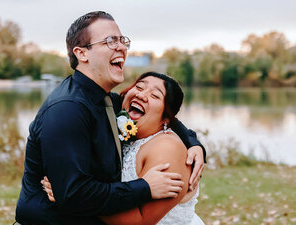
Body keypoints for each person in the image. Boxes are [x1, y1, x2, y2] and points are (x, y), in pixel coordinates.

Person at [15, 11, 205, 225]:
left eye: (122, 40)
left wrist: (193, 142)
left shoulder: (105, 100)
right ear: (82, 53)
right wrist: (145, 187)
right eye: (110, 40)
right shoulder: (67, 110)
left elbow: (163, 115)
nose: (122, 47)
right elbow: (74, 195)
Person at [43, 72, 205, 224]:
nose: (141, 95)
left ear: (167, 118)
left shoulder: (167, 149)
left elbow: (141, 221)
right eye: (139, 87)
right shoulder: (116, 122)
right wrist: (70, 185)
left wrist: (75, 197)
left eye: (155, 95)